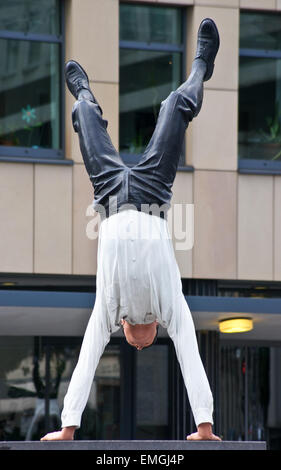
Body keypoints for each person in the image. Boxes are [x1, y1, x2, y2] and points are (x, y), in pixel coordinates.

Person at [41, 18, 221, 442]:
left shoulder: (108, 312)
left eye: (133, 343)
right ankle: (200, 67)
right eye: (145, 343)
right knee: (174, 107)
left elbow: (87, 358)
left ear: (124, 329)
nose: (139, 343)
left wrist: (68, 427)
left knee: (84, 113)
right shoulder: (170, 307)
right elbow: (190, 354)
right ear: (155, 328)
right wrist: (205, 426)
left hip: (108, 195)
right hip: (153, 192)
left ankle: (84, 91)